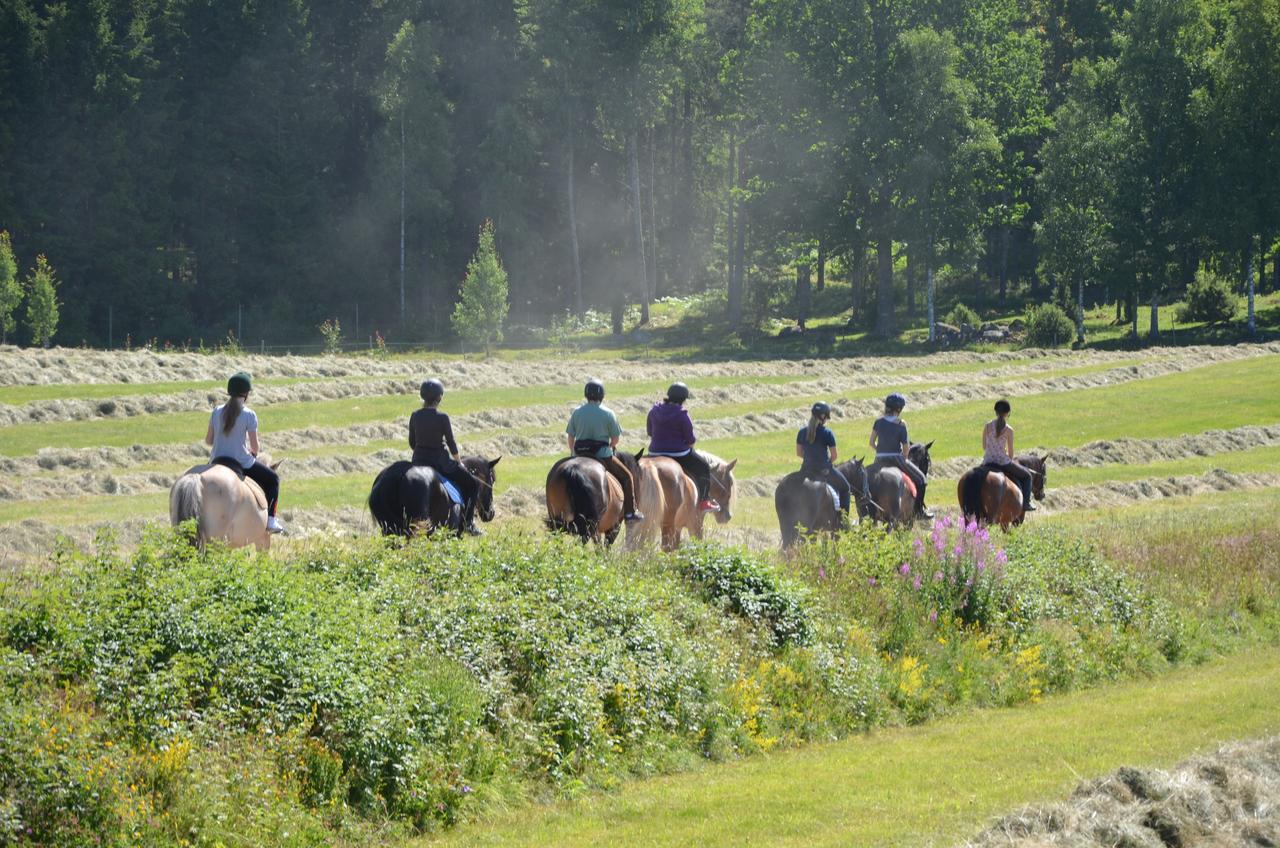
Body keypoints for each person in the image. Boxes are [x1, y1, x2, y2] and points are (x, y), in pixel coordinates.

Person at [206, 371, 284, 533]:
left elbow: (209, 441)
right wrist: (250, 451)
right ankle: (270, 520)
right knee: (273, 479)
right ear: (246, 394)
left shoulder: (216, 411)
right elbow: (255, 448)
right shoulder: (249, 414)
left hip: (215, 461)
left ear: (229, 392)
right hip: (241, 462)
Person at [409, 378, 483, 534]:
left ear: (422, 397)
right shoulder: (442, 417)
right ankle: (469, 524)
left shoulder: (415, 415)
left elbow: (412, 442)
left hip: (418, 462)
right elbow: (451, 442)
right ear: (440, 397)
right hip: (440, 463)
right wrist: (458, 462)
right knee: (473, 484)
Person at [566, 379, 643, 523]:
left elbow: (571, 437)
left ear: (586, 395)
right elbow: (615, 439)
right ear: (602, 395)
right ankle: (630, 512)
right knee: (627, 477)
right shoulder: (608, 413)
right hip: (601, 455)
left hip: (579, 454)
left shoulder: (577, 412)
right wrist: (611, 447)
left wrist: (573, 452)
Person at [646, 382, 720, 513]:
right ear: (684, 399)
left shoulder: (653, 411)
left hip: (654, 453)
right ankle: (704, 501)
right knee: (703, 467)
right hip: (679, 454)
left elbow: (650, 432)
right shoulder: (682, 415)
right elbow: (691, 441)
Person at [869, 392, 933, 519]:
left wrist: (880, 450)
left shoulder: (878, 421)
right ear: (899, 409)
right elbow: (905, 448)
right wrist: (904, 457)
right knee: (921, 480)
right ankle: (919, 511)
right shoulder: (901, 424)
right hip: (896, 458)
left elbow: (871, 443)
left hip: (879, 458)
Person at [795, 401, 851, 520]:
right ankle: (843, 521)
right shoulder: (827, 433)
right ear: (823, 416)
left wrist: (810, 459)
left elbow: (799, 453)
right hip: (823, 470)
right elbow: (834, 456)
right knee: (846, 488)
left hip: (806, 469)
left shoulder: (801, 432)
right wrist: (826, 462)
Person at [983, 398, 1035, 511]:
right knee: (1027, 476)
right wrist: (1005, 454)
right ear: (1008, 414)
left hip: (987, 461)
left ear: (995, 412)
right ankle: (1026, 504)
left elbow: (984, 446)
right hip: (1002, 463)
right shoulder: (1009, 430)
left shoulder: (987, 426)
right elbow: (1011, 453)